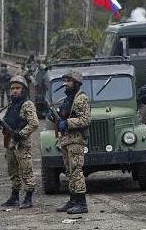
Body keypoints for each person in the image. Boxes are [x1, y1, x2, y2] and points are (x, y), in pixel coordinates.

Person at [0, 75, 39, 209]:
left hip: (22, 144)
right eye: (12, 88)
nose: (14, 91)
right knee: (13, 171)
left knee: (26, 170)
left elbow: (34, 123)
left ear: (23, 90)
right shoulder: (12, 104)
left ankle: (28, 198)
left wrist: (21, 134)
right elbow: (9, 121)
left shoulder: (27, 104)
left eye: (17, 88)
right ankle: (14, 196)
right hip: (10, 143)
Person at [56, 69, 91, 214]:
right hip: (66, 140)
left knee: (76, 171)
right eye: (65, 81)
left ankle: (82, 203)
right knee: (69, 171)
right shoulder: (68, 99)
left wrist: (68, 123)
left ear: (76, 83)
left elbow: (85, 119)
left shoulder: (80, 98)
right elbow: (64, 116)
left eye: (69, 81)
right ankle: (73, 200)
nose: (66, 84)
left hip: (76, 140)